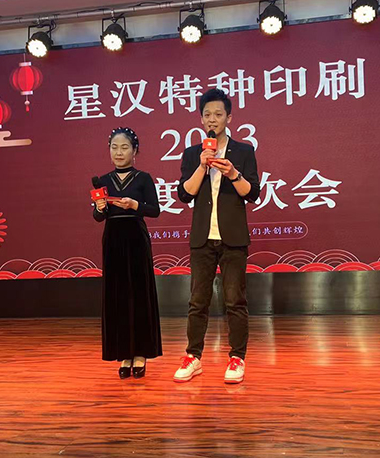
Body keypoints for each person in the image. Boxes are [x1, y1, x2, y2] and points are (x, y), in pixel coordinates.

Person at [173, 89, 261, 384]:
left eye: (218, 114)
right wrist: (202, 165)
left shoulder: (244, 151)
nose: (213, 120)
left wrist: (233, 173)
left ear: (229, 118)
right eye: (207, 115)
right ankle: (193, 357)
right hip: (202, 238)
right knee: (198, 301)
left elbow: (253, 194)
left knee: (235, 300)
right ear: (201, 119)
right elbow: (185, 194)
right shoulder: (192, 154)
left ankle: (237, 358)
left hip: (233, 237)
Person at [93, 127, 162, 379]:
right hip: (113, 239)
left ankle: (141, 353)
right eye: (114, 147)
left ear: (135, 151)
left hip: (136, 238)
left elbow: (154, 210)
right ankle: (124, 354)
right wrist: (100, 207)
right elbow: (97, 217)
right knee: (118, 296)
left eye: (124, 147)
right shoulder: (103, 180)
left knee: (139, 295)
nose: (119, 152)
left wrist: (135, 205)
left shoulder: (143, 178)